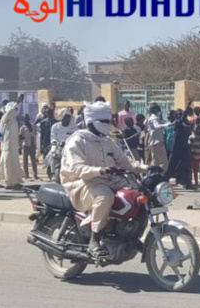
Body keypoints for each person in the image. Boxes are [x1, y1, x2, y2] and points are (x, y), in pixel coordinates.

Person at [60, 101, 147, 257]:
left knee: (137, 193)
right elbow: (78, 169)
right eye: (104, 121)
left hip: (108, 179)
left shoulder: (107, 141)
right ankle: (94, 239)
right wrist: (99, 170)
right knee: (105, 196)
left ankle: (131, 234)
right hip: (81, 183)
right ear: (90, 122)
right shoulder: (77, 141)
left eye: (109, 121)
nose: (108, 124)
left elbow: (125, 161)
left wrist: (146, 168)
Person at [0, 97, 24, 189]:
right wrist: (17, 102)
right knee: (7, 164)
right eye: (14, 109)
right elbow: (10, 111)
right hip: (7, 146)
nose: (16, 111)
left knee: (8, 164)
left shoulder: (13, 119)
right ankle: (9, 183)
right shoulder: (6, 117)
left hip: (13, 146)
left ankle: (13, 182)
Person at [166, 108, 194, 189]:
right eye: (180, 114)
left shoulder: (186, 124)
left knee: (186, 166)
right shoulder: (177, 123)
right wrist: (184, 113)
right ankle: (164, 182)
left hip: (184, 148)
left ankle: (187, 183)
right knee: (171, 167)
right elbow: (180, 121)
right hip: (176, 148)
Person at [146, 104, 172, 172]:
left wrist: (167, 122)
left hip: (154, 142)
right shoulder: (154, 118)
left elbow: (162, 123)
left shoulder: (152, 118)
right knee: (164, 162)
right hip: (157, 143)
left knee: (155, 161)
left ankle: (150, 173)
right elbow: (157, 126)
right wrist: (168, 125)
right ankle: (161, 175)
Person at [19, 114, 39, 180]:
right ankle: (26, 175)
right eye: (25, 119)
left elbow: (36, 133)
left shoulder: (33, 126)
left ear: (29, 119)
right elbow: (20, 137)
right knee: (25, 161)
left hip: (32, 145)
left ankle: (35, 175)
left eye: (27, 118)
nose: (26, 120)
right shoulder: (22, 128)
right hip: (25, 145)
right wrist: (23, 138)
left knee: (33, 161)